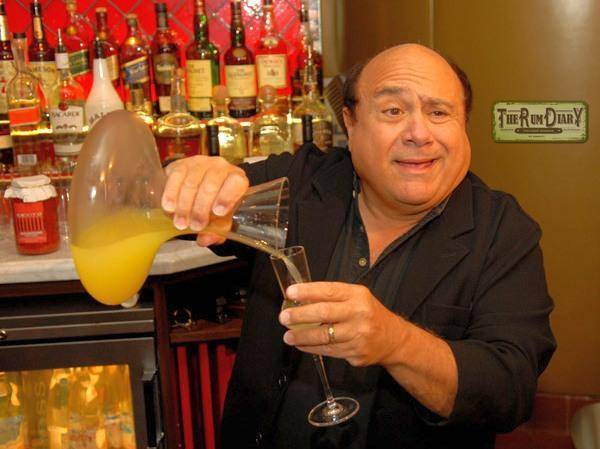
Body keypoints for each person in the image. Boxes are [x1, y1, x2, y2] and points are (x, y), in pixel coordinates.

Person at [161, 43, 556, 448]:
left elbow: (509, 391)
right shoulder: (297, 184)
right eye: (393, 111)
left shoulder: (502, 232)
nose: (419, 134)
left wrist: (396, 342)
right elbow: (157, 202)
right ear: (350, 123)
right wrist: (189, 180)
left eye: (439, 113)